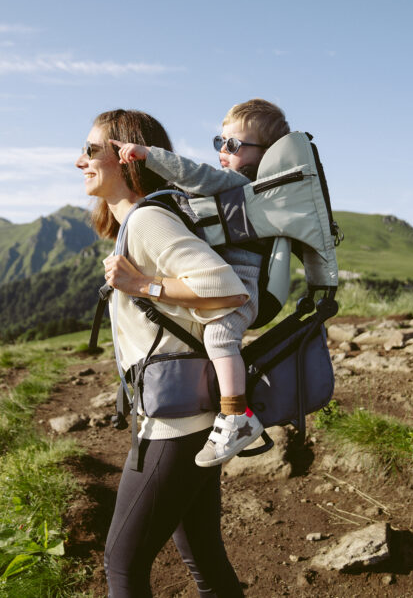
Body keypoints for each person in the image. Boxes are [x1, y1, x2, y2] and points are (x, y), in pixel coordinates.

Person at [77, 108, 247, 597]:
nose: (80, 161)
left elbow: (226, 288)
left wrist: (143, 284)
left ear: (126, 157)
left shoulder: (149, 219)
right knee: (204, 558)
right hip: (187, 413)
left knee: (122, 564)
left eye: (92, 150)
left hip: (174, 425)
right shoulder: (138, 222)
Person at [114, 98, 290, 467]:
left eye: (233, 145)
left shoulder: (242, 184)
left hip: (240, 286)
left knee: (219, 337)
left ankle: (236, 417)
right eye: (219, 142)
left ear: (267, 154)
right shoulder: (255, 193)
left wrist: (149, 155)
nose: (223, 152)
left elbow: (197, 176)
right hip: (238, 282)